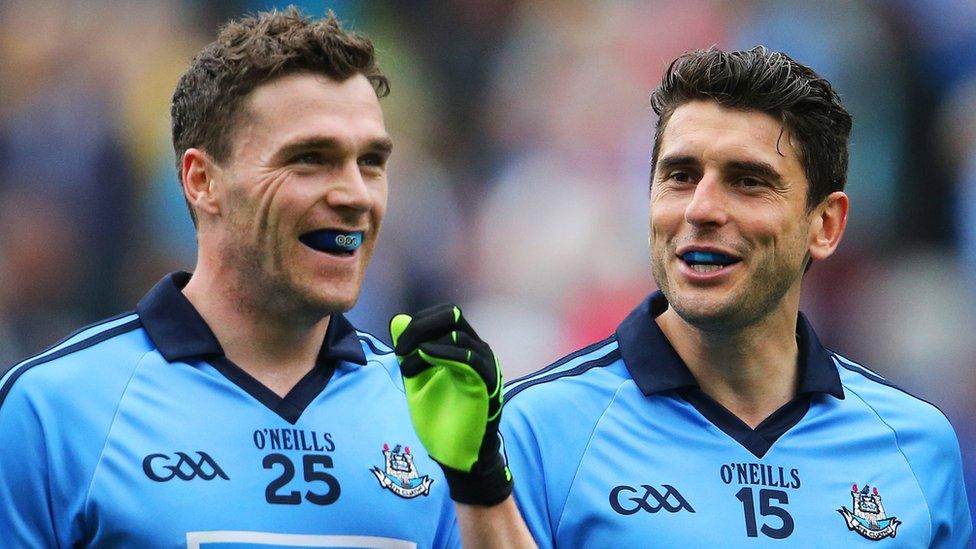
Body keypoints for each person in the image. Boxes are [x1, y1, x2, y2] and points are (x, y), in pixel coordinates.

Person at [391, 47, 972, 547]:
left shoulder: (916, 447)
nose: (701, 209)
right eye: (680, 176)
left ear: (825, 225)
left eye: (748, 181)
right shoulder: (536, 430)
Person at [0, 8, 516, 547]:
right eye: (309, 159)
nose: (355, 195)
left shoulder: (423, 410)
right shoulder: (55, 410)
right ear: (203, 181)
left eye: (370, 162)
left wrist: (479, 480)